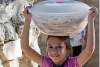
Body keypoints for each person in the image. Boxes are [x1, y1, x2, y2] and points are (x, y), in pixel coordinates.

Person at [21, 6, 98, 67]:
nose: (54, 51)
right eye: (50, 47)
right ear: (46, 49)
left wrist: (90, 20)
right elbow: (25, 48)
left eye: (59, 47)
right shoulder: (45, 63)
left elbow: (89, 51)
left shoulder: (73, 64)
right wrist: (27, 20)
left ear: (67, 50)